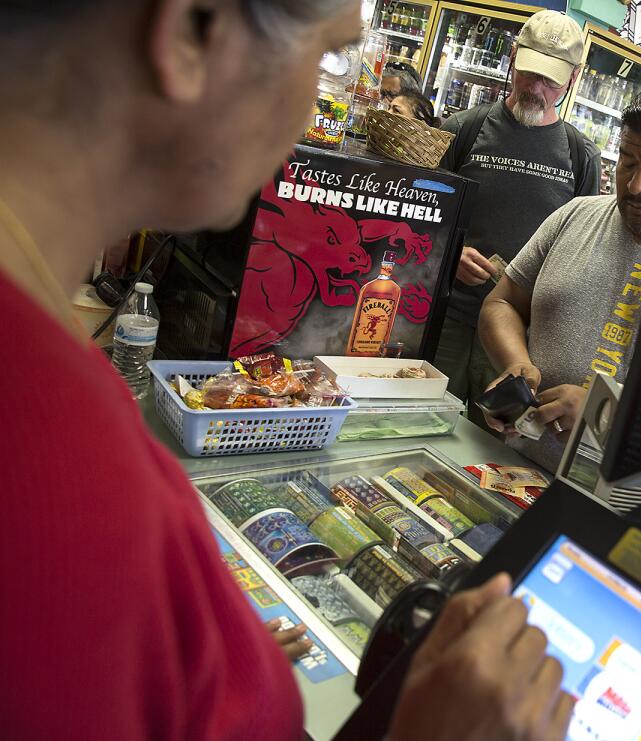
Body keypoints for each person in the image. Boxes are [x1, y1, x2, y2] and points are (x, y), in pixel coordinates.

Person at [0, 2, 569, 739]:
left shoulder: (51, 371)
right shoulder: (59, 478)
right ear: (191, 33)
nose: (316, 107)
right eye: (329, 56)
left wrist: (206, 667)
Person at [477, 81, 641, 471]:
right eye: (627, 161)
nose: (637, 185)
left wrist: (603, 411)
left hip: (627, 505)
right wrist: (515, 363)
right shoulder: (575, 216)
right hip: (520, 471)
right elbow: (503, 302)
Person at [434, 10, 600, 421]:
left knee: (494, 447)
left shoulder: (580, 158)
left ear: (573, 78)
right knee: (421, 423)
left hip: (519, 341)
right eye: (529, 73)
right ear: (512, 58)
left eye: (550, 80)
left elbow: (580, 253)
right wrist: (450, 253)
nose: (536, 88)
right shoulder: (463, 130)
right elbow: (423, 220)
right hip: (449, 318)